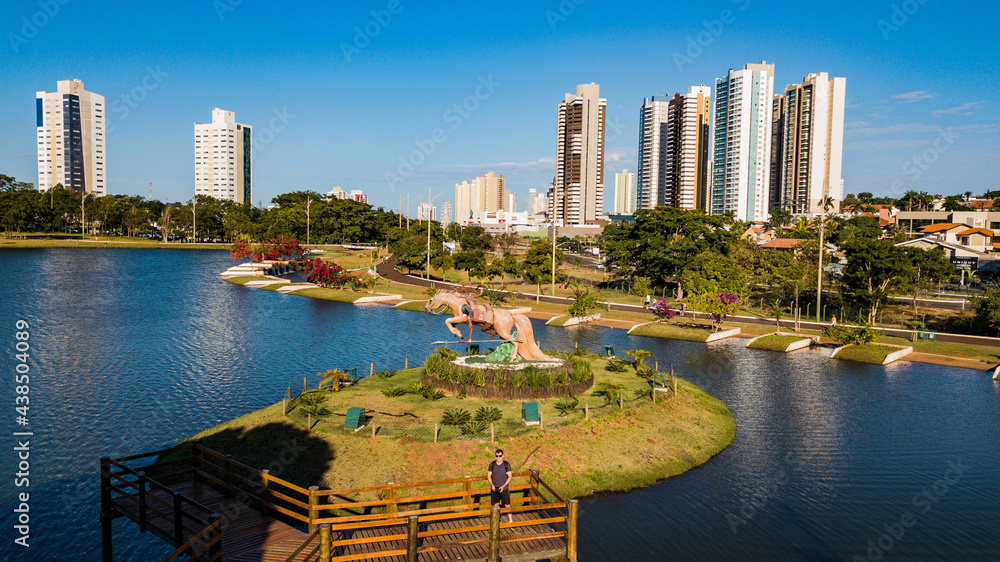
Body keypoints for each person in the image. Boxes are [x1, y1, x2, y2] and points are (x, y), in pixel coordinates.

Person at [487, 448, 513, 523]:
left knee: (507, 505)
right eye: (497, 456)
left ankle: (511, 521)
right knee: (496, 505)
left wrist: (503, 486)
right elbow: (488, 476)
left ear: (503, 456)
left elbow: (510, 476)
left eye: (500, 456)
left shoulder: (506, 464)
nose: (498, 457)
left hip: (504, 488)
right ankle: (498, 520)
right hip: (494, 488)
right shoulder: (492, 464)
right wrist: (492, 485)